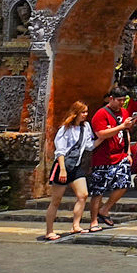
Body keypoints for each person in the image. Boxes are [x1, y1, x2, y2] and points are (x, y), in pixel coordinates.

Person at [88, 86, 137, 231]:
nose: (122, 103)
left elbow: (126, 133)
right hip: (103, 157)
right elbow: (101, 134)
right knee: (98, 190)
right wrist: (121, 126)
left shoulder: (123, 112)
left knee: (124, 184)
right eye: (119, 100)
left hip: (121, 154)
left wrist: (128, 152)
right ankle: (93, 221)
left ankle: (105, 209)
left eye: (124, 100)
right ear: (111, 99)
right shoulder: (101, 114)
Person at [44, 100, 94, 241]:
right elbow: (60, 151)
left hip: (76, 166)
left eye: (86, 112)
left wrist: (105, 136)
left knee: (83, 195)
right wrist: (63, 170)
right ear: (76, 113)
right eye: (83, 112)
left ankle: (76, 225)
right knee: (56, 200)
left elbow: (89, 145)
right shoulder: (65, 129)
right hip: (63, 166)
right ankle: (49, 231)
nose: (85, 115)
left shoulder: (86, 127)